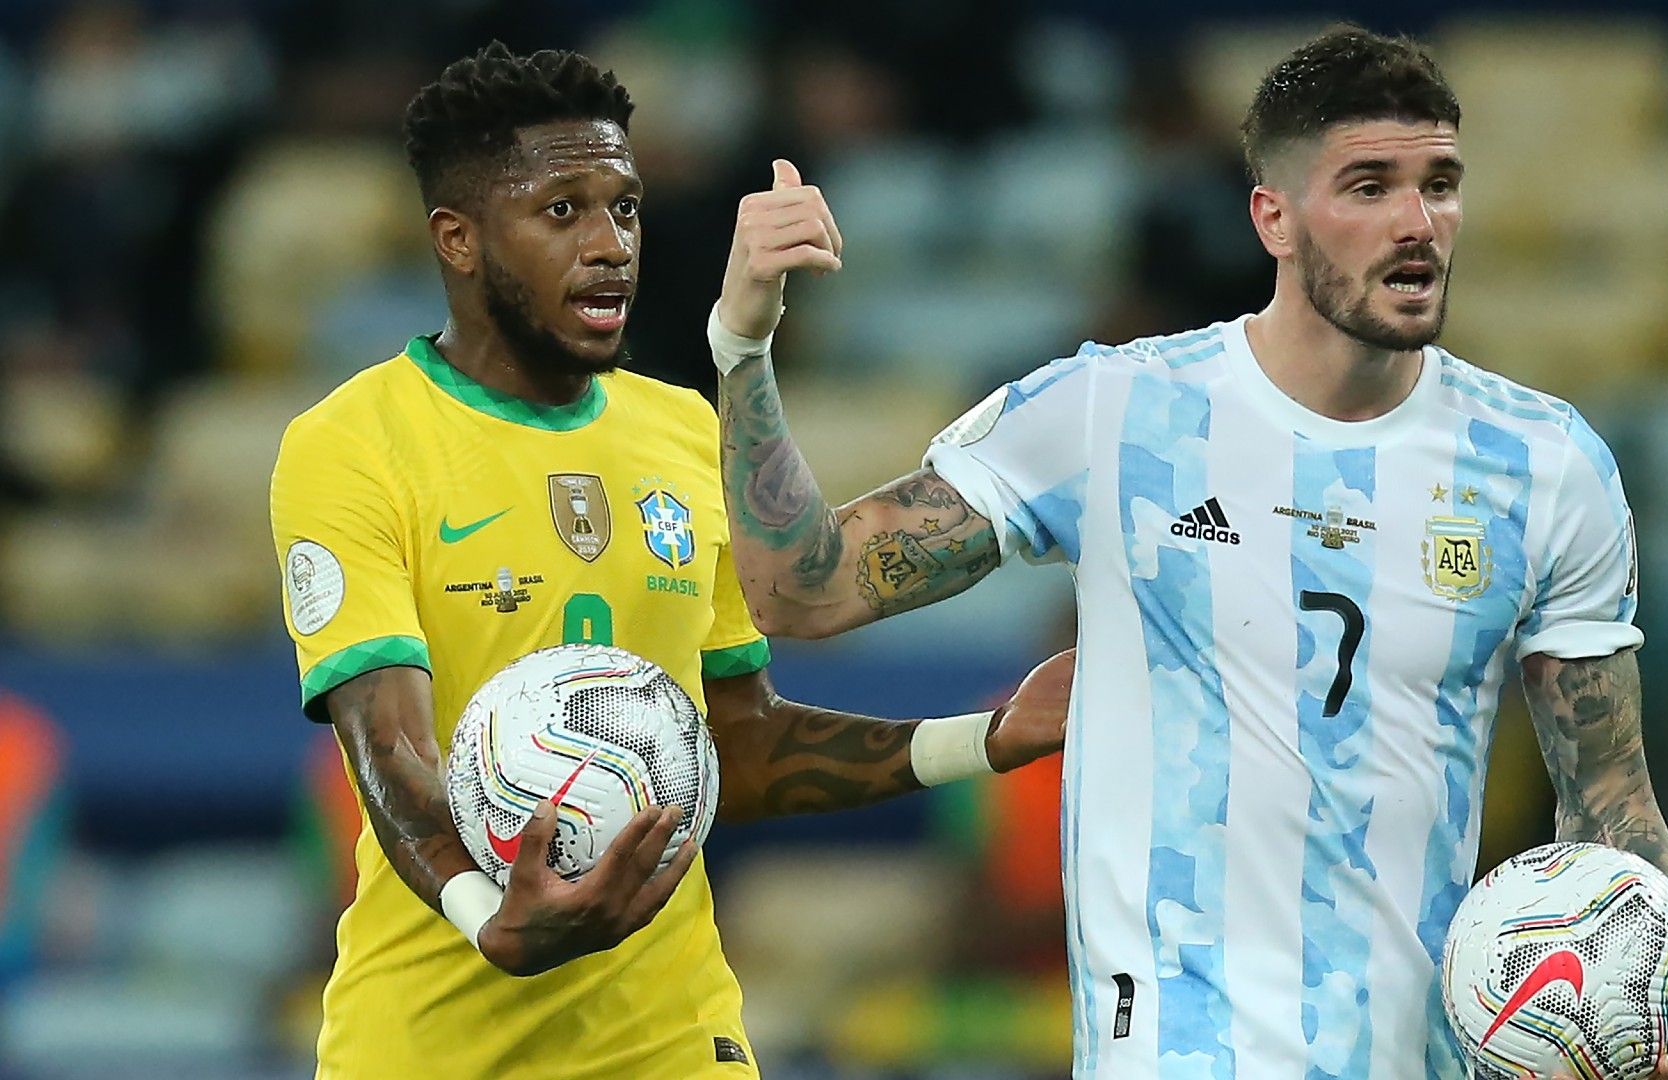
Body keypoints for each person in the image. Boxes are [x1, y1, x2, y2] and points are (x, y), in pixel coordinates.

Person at [707, 26, 1668, 1080]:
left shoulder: (1540, 465)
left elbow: (1611, 804)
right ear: (1271, 216)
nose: (1417, 223)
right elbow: (802, 593)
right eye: (1369, 186)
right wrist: (742, 345)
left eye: (1440, 184)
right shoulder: (1113, 413)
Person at [268, 43, 1071, 1079]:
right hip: (429, 1042)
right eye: (563, 211)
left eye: (626, 210)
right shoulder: (354, 441)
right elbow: (392, 748)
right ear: (458, 241)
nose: (611, 248)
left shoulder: (682, 432)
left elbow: (739, 744)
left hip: (671, 1038)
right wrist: (488, 920)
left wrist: (991, 738)